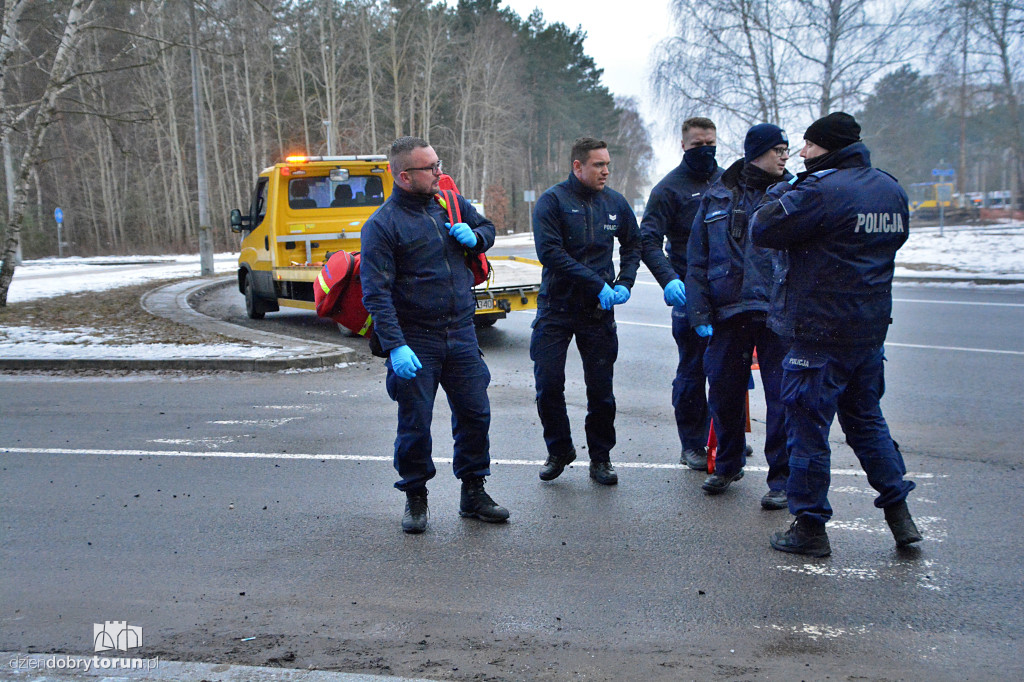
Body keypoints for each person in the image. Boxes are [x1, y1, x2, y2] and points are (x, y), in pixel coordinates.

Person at [751, 112, 922, 556]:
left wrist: (788, 187)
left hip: (818, 332)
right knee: (867, 422)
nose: (801, 155)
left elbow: (763, 228)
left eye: (807, 146)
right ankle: (900, 517)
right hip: (868, 331)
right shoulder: (890, 188)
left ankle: (809, 527)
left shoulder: (819, 191)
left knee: (807, 430)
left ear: (825, 148)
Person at [360, 136, 509, 534]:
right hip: (416, 339)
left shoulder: (451, 203)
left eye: (439, 163)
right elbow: (376, 294)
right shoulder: (382, 226)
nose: (440, 172)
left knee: (475, 414)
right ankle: (415, 496)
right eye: (431, 168)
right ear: (405, 176)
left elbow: (487, 228)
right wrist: (396, 346)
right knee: (415, 423)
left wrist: (476, 237)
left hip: (461, 332)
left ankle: (473, 492)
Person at [685, 123, 793, 509]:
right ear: (756, 152)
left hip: (776, 311)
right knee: (725, 393)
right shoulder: (717, 195)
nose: (785, 156)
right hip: (728, 312)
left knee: (782, 398)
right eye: (778, 149)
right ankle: (728, 464)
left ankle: (782, 479)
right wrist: (697, 309)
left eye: (787, 149)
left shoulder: (793, 193)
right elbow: (696, 258)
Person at [531, 137, 642, 486]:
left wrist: (625, 281)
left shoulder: (615, 203)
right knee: (548, 385)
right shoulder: (552, 202)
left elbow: (633, 243)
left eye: (607, 164)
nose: (606, 171)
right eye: (598, 165)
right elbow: (551, 254)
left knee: (601, 389)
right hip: (557, 308)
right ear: (578, 166)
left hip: (597, 313)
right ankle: (560, 449)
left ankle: (601, 457)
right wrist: (597, 283)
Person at [640, 117, 723, 472]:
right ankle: (692, 443)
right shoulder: (668, 189)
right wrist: (669, 280)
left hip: (728, 292)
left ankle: (725, 436)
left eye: (711, 143)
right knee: (692, 370)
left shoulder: (728, 182)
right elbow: (647, 239)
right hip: (690, 293)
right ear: (684, 146)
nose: (705, 150)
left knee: (728, 372)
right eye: (697, 145)